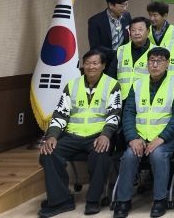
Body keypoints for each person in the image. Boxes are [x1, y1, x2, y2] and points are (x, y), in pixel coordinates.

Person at [39, 50, 120, 217]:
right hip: (72, 135)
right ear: (83, 65)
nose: (91, 67)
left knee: (101, 152)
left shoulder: (112, 85)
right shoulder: (72, 85)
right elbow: (60, 113)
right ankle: (61, 200)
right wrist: (52, 136)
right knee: (49, 152)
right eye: (87, 63)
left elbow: (114, 114)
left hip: (98, 135)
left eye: (95, 63)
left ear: (103, 66)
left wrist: (106, 134)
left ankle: (93, 200)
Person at [113, 47, 174, 218]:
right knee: (129, 156)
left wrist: (161, 138)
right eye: (152, 61)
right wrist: (132, 138)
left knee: (158, 155)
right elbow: (128, 113)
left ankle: (160, 199)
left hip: (164, 139)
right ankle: (123, 201)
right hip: (139, 137)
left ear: (167, 64)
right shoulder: (137, 84)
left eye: (159, 61)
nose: (155, 65)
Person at [107, 17, 153, 100]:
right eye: (133, 30)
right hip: (122, 98)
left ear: (148, 31)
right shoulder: (121, 50)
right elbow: (111, 75)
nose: (136, 33)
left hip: (145, 98)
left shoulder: (156, 51)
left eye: (140, 30)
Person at [88, 0, 131, 66]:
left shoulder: (127, 16)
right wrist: (117, 54)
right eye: (122, 6)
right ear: (111, 5)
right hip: (105, 62)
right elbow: (95, 46)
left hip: (124, 61)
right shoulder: (95, 21)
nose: (125, 8)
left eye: (126, 4)